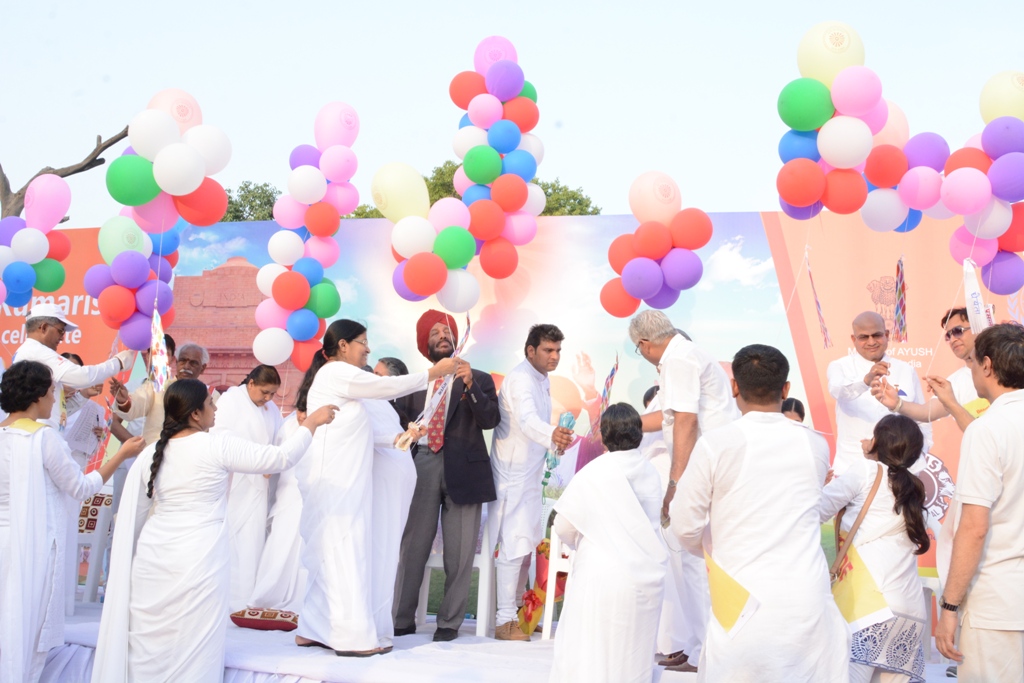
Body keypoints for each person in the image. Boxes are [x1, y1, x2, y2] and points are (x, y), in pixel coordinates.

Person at [91, 380, 337, 683]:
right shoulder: (217, 444)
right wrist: (311, 423)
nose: (216, 408)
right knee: (193, 645)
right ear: (195, 414)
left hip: (152, 561)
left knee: (149, 645)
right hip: (199, 561)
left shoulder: (152, 453)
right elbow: (280, 458)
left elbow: (136, 521)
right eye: (210, 403)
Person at [671, 344, 849, 682]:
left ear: (734, 387)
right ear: (786, 389)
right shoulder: (815, 444)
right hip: (805, 601)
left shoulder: (716, 444)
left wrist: (714, 546)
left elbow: (683, 525)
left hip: (740, 603)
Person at [294, 319, 456, 656]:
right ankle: (350, 637)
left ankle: (313, 627)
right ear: (343, 346)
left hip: (347, 481)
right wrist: (433, 373)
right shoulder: (336, 372)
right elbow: (386, 387)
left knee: (336, 552)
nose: (368, 349)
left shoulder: (343, 379)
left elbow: (366, 429)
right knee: (342, 551)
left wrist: (398, 438)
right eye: (363, 342)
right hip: (335, 481)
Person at [0, 360, 144, 683]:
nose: (55, 399)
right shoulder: (43, 438)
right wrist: (120, 455)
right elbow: (80, 487)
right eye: (53, 392)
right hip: (33, 545)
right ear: (38, 395)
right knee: (27, 624)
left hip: (5, 540)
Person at [630, 310, 736, 670]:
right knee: (688, 558)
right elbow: (674, 418)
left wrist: (675, 483)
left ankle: (709, 652)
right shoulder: (685, 355)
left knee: (692, 559)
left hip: (704, 469)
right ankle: (697, 646)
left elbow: (686, 421)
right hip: (708, 465)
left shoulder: (678, 359)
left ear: (644, 344)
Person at [392, 310, 501, 642]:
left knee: (460, 551)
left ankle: (449, 623)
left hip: (464, 471)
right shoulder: (415, 383)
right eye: (434, 332)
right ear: (425, 343)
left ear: (456, 338)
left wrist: (470, 385)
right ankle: (400, 619)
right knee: (412, 547)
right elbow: (397, 425)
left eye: (446, 330)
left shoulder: (478, 378)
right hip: (422, 465)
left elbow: (490, 421)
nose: (442, 335)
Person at [548, 403, 667, 683]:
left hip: (598, 576)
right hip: (644, 579)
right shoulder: (651, 472)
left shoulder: (594, 472)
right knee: (630, 657)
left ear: (604, 434)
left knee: (588, 654)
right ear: (638, 433)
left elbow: (563, 525)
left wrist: (585, 540)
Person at [936, 323, 1024, 682]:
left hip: (997, 604)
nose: (970, 369)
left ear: (987, 365)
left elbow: (974, 528)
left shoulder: (987, 429)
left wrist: (949, 606)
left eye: (972, 361)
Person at [820, 414, 930, 683]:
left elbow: (815, 511)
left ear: (878, 442)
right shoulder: (912, 488)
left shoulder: (867, 471)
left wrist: (818, 485)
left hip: (870, 605)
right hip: (909, 611)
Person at [489, 324, 574, 641]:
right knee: (514, 543)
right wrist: (552, 434)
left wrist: (554, 443)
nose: (555, 356)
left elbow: (535, 426)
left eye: (558, 350)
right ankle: (504, 621)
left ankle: (520, 614)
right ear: (530, 351)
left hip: (530, 473)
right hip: (512, 474)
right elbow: (526, 420)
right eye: (548, 350)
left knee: (526, 545)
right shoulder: (521, 379)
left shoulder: (541, 379)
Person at [212, 365, 284, 612]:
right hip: (236, 481)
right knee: (232, 535)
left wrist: (272, 460)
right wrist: (257, 458)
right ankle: (228, 596)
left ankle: (246, 596)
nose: (268, 398)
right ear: (251, 383)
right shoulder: (231, 400)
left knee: (252, 538)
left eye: (272, 394)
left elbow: (278, 439)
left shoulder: (271, 409)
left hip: (260, 484)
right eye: (265, 392)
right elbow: (221, 436)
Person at [827, 311, 927, 475]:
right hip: (853, 467)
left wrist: (919, 453)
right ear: (853, 339)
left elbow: (922, 417)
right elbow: (837, 391)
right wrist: (865, 381)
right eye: (863, 337)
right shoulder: (840, 367)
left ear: (886, 335)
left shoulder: (906, 370)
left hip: (902, 471)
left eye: (877, 335)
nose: (871, 342)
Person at [12, 303, 132, 429]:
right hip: (39, 434)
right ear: (44, 327)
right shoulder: (37, 351)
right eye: (60, 331)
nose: (62, 338)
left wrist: (83, 396)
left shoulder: (30, 351)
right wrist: (118, 362)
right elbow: (82, 377)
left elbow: (56, 412)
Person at [872, 307, 989, 432]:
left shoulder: (1002, 367)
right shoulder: (955, 382)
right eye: (948, 335)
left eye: (958, 331)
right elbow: (927, 412)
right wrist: (898, 404)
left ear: (979, 328)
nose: (953, 339)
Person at [248, 388, 310, 614]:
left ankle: (302, 596)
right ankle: (268, 594)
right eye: (300, 411)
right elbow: (277, 456)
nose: (302, 416)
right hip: (287, 493)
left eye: (307, 412)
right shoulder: (289, 425)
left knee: (304, 546)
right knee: (281, 541)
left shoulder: (322, 427)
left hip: (309, 493)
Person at [110, 341, 208, 446]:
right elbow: (135, 407)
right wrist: (124, 401)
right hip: (155, 453)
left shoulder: (209, 397)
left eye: (193, 363)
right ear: (176, 362)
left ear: (202, 368)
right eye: (183, 361)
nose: (186, 366)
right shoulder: (157, 388)